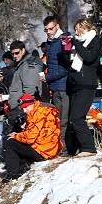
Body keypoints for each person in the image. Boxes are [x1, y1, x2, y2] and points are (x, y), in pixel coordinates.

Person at [61, 17, 102, 157]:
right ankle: (83, 147)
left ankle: (89, 148)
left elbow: (89, 57)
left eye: (77, 29)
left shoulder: (95, 41)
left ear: (85, 28)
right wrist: (65, 49)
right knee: (75, 117)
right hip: (75, 84)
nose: (76, 33)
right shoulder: (78, 43)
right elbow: (69, 63)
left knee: (77, 117)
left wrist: (75, 44)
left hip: (87, 84)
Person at [2, 94, 62, 181]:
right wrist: (25, 128)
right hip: (52, 148)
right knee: (19, 141)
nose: (24, 110)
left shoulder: (37, 115)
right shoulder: (44, 110)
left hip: (43, 151)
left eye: (25, 107)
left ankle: (13, 174)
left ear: (30, 105)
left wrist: (15, 135)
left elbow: (30, 138)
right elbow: (39, 132)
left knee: (9, 142)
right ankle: (24, 164)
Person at [40, 15, 71, 155]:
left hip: (63, 87)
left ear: (57, 26)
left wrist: (47, 76)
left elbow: (65, 68)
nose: (49, 32)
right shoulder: (51, 42)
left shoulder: (64, 40)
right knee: (58, 120)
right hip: (55, 87)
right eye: (46, 30)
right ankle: (59, 149)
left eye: (51, 29)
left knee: (62, 121)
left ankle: (63, 151)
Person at [7, 40, 45, 110]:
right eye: (12, 54)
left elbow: (30, 89)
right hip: (19, 105)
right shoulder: (20, 65)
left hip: (24, 107)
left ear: (23, 50)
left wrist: (24, 105)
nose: (15, 56)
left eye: (17, 53)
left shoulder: (28, 65)